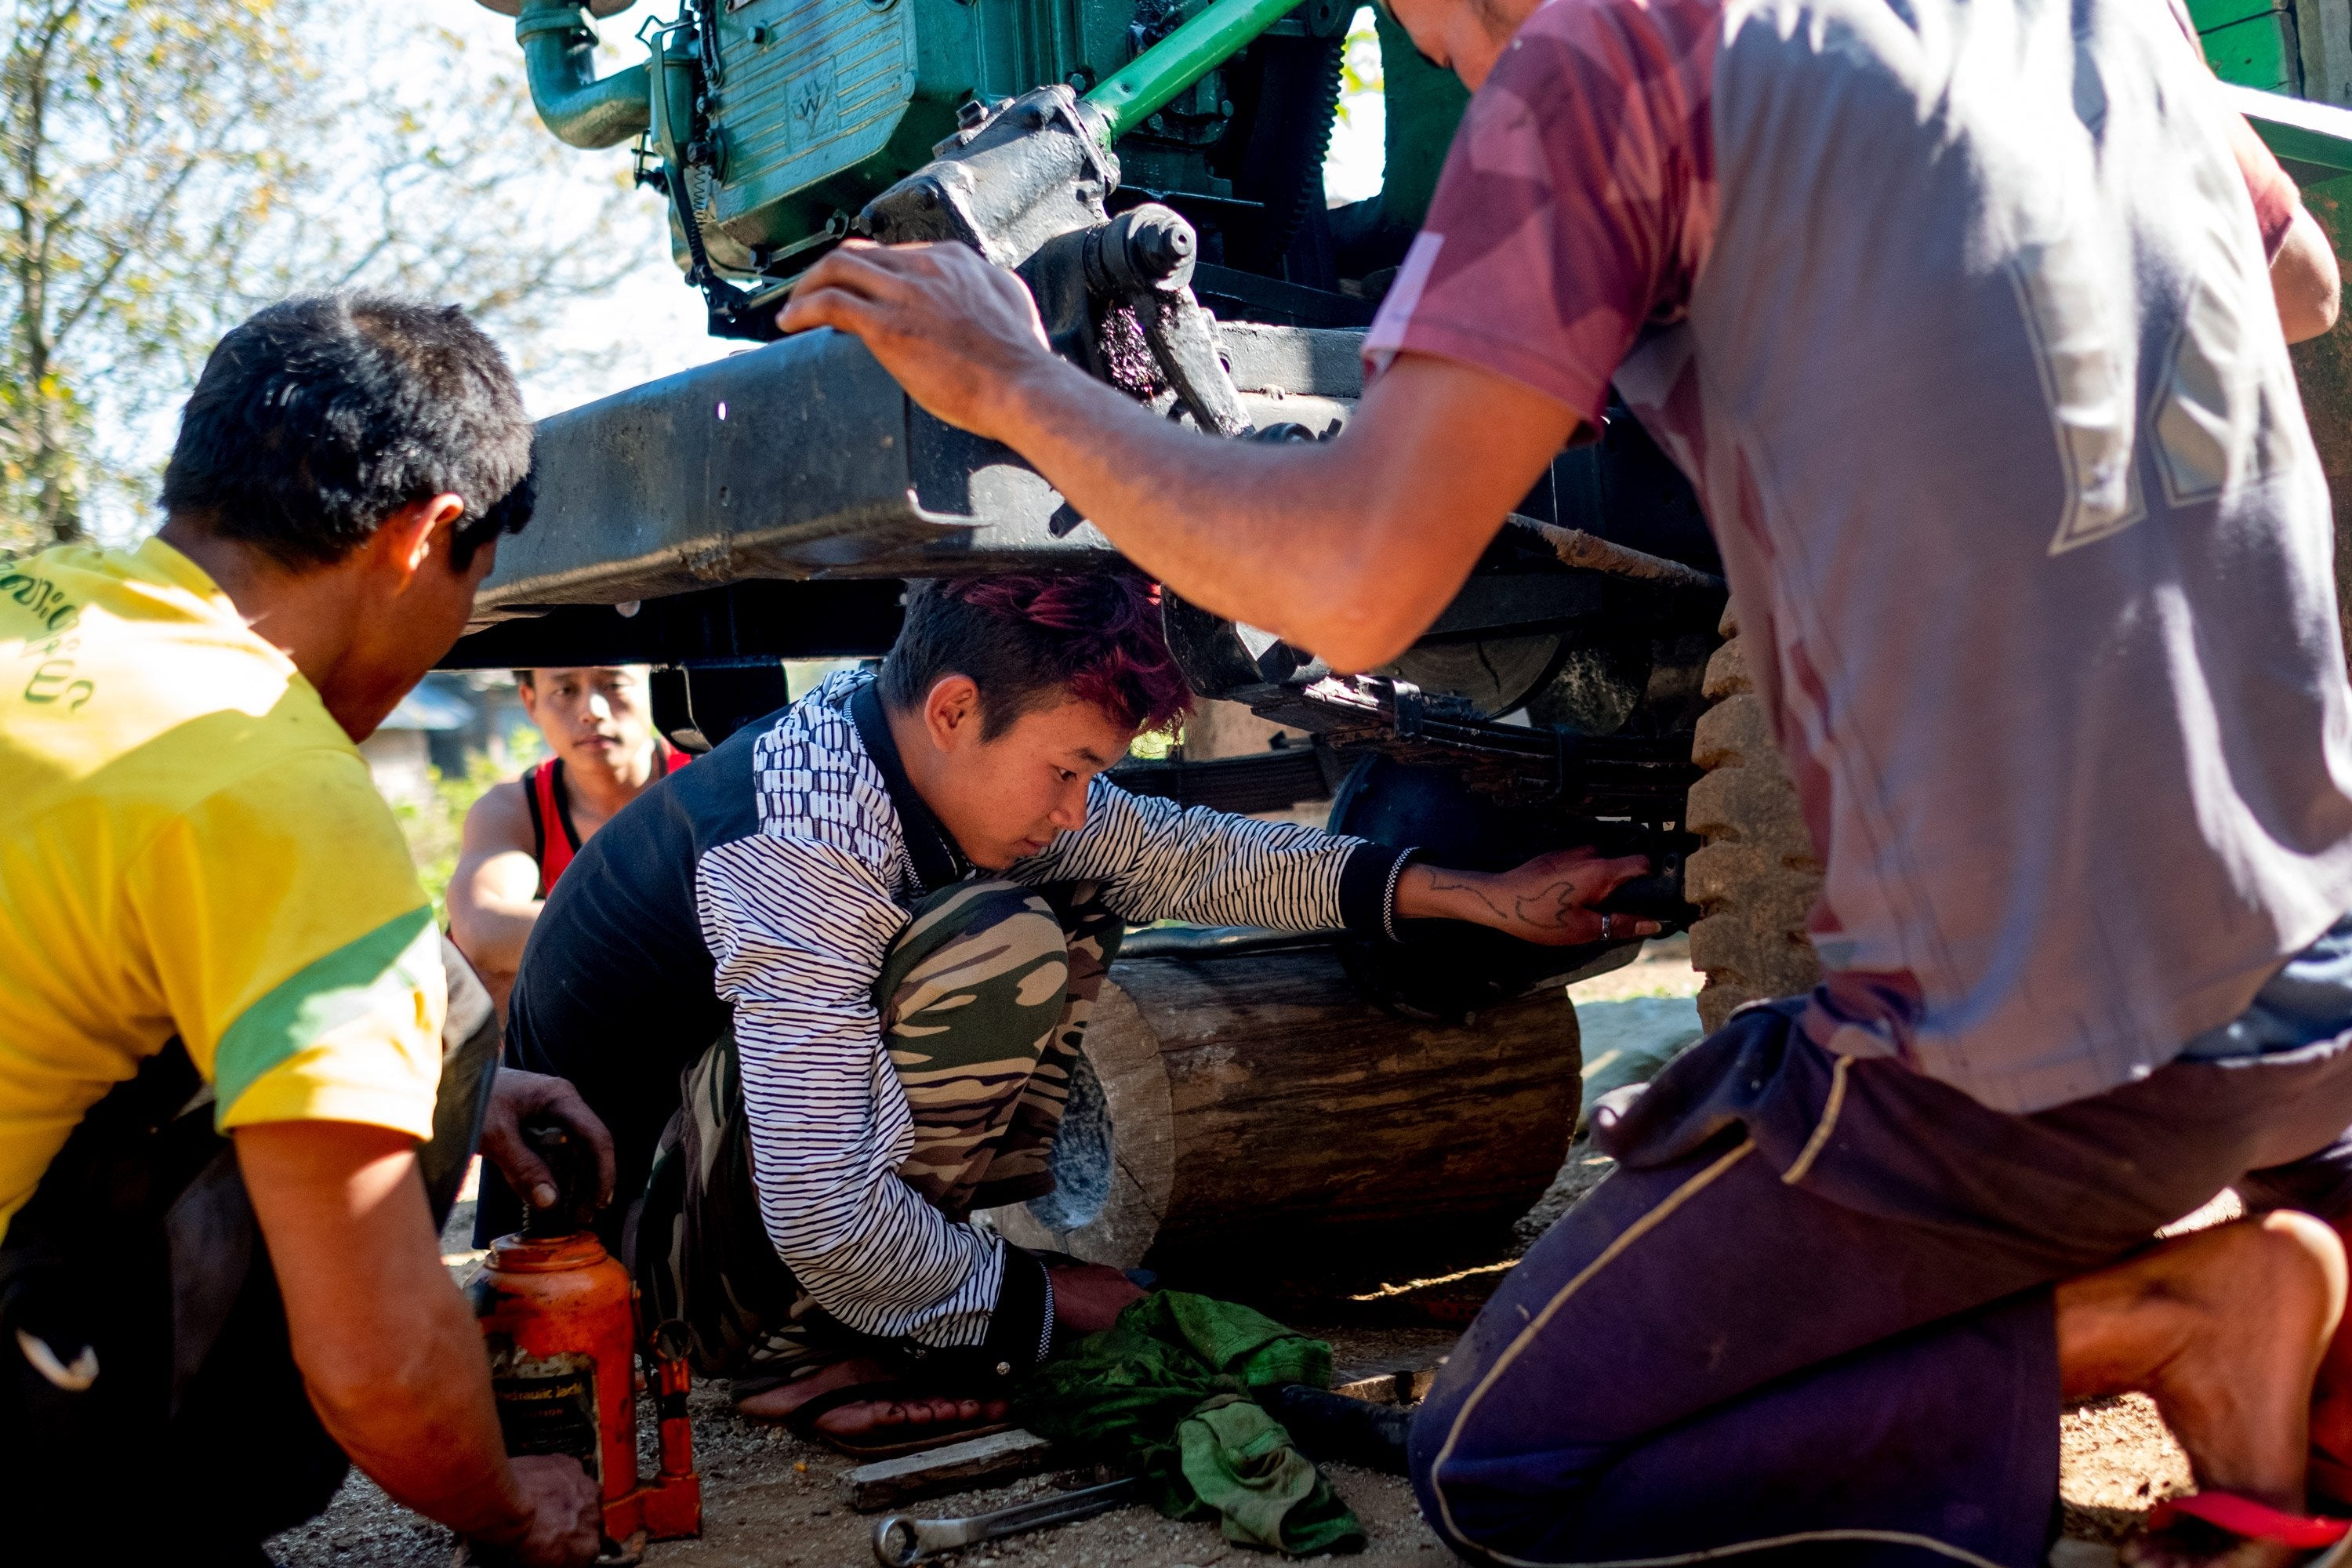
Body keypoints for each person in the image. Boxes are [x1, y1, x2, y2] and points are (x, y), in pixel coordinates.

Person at [775, 0, 2352, 1558]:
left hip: (2026, 1073)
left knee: (1509, 1467)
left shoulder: (1606, 59)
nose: (1440, 59)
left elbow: (1352, 582)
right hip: (2318, 1012)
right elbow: (2298, 281)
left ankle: (2170, 1319)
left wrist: (1015, 388)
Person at [488, 571, 1658, 1457]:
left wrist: (1480, 898)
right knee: (998, 943)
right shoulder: (803, 848)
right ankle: (792, 1349)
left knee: (1079, 881)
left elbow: (1181, 856)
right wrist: (1045, 1302)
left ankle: (884, 1310)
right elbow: (824, 1212)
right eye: (1069, 768)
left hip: (713, 1210)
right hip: (622, 1280)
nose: (1077, 802)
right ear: (955, 710)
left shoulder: (896, 742)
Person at [0, 295, 603, 1566]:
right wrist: (504, 1507)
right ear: (427, 536)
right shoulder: (269, 780)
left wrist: (375, 1086)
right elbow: (379, 1365)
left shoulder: (34, 603)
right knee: (433, 988)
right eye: (472, 592)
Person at [448, 666, 688, 1012]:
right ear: (530, 702)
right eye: (565, 690)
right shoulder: (516, 808)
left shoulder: (704, 785)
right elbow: (482, 930)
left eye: (614, 685)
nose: (593, 711)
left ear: (656, 688)